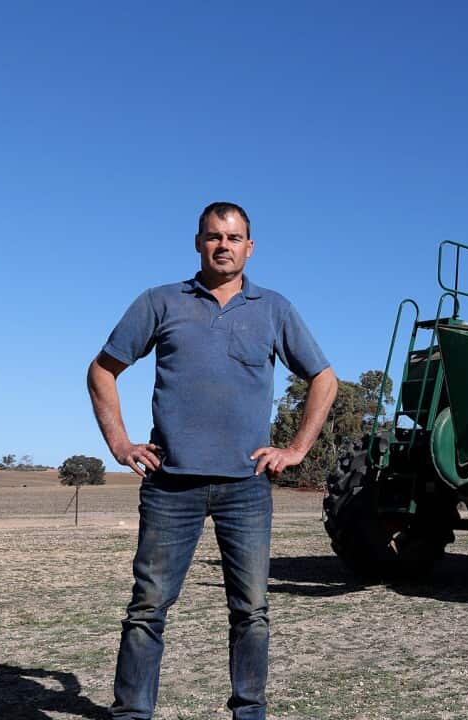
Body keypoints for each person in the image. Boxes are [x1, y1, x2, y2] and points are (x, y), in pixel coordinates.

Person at [86, 201, 338, 720]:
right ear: (198, 243)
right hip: (170, 485)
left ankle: (249, 712)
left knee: (252, 612)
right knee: (147, 610)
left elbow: (324, 378)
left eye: (234, 237)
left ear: (250, 247)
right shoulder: (160, 302)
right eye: (213, 237)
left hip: (245, 487)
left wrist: (296, 450)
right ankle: (131, 714)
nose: (223, 246)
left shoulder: (274, 309)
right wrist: (120, 443)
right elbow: (103, 370)